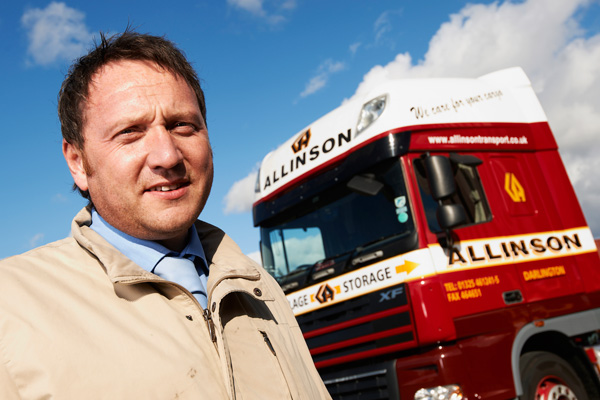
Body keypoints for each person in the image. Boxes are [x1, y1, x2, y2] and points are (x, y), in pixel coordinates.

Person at [0, 31, 331, 399]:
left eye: (182, 125)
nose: (168, 156)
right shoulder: (10, 307)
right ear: (77, 161)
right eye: (130, 132)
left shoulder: (260, 285)